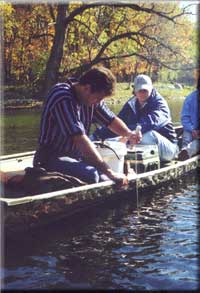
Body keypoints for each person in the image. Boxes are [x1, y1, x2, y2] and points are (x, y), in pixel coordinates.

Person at [33, 66, 138, 185]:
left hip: (76, 156)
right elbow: (80, 139)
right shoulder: (62, 97)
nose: (98, 102)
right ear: (86, 88)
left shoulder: (90, 98)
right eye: (98, 98)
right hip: (50, 157)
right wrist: (110, 172)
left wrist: (129, 134)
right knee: (92, 175)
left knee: (105, 179)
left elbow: (111, 121)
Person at [91, 74, 179, 162]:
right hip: (141, 144)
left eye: (145, 90)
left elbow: (152, 121)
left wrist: (129, 133)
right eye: (140, 90)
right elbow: (116, 123)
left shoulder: (160, 103)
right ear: (135, 90)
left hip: (169, 148)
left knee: (148, 135)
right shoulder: (131, 104)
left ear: (151, 88)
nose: (142, 92)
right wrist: (96, 136)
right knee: (109, 141)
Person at [178, 75, 200, 160]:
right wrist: (192, 129)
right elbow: (184, 118)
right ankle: (184, 152)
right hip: (191, 130)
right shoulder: (190, 98)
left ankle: (186, 152)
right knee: (187, 135)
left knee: (195, 143)